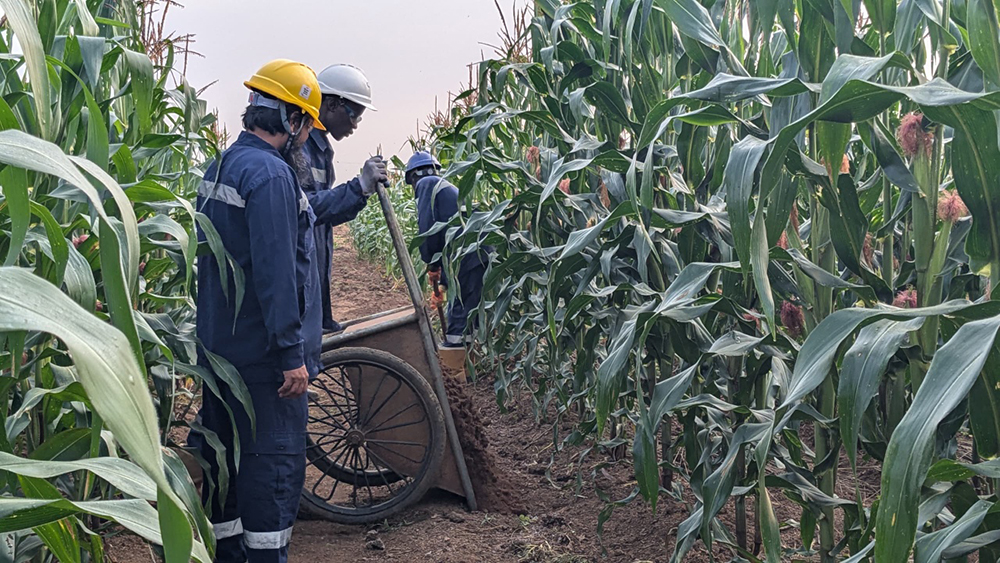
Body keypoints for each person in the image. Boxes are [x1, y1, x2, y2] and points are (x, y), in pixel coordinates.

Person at [190, 59, 324, 563]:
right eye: (307, 123)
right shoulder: (270, 176)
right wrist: (292, 353)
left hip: (220, 351)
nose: (308, 135)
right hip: (264, 362)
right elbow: (274, 273)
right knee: (271, 470)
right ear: (291, 120)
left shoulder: (221, 165)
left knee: (225, 467)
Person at [289, 64, 387, 334]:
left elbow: (325, 213)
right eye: (353, 114)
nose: (355, 125)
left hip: (315, 256)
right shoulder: (301, 147)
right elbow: (307, 208)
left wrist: (361, 192)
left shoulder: (320, 148)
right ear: (331, 104)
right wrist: (358, 188)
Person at [405, 151, 492, 347]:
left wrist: (432, 264)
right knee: (468, 309)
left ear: (413, 176)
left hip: (468, 252)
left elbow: (428, 229)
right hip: (478, 250)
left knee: (459, 309)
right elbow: (447, 230)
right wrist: (443, 284)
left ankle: (454, 359)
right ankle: (468, 358)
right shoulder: (444, 187)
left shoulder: (426, 184)